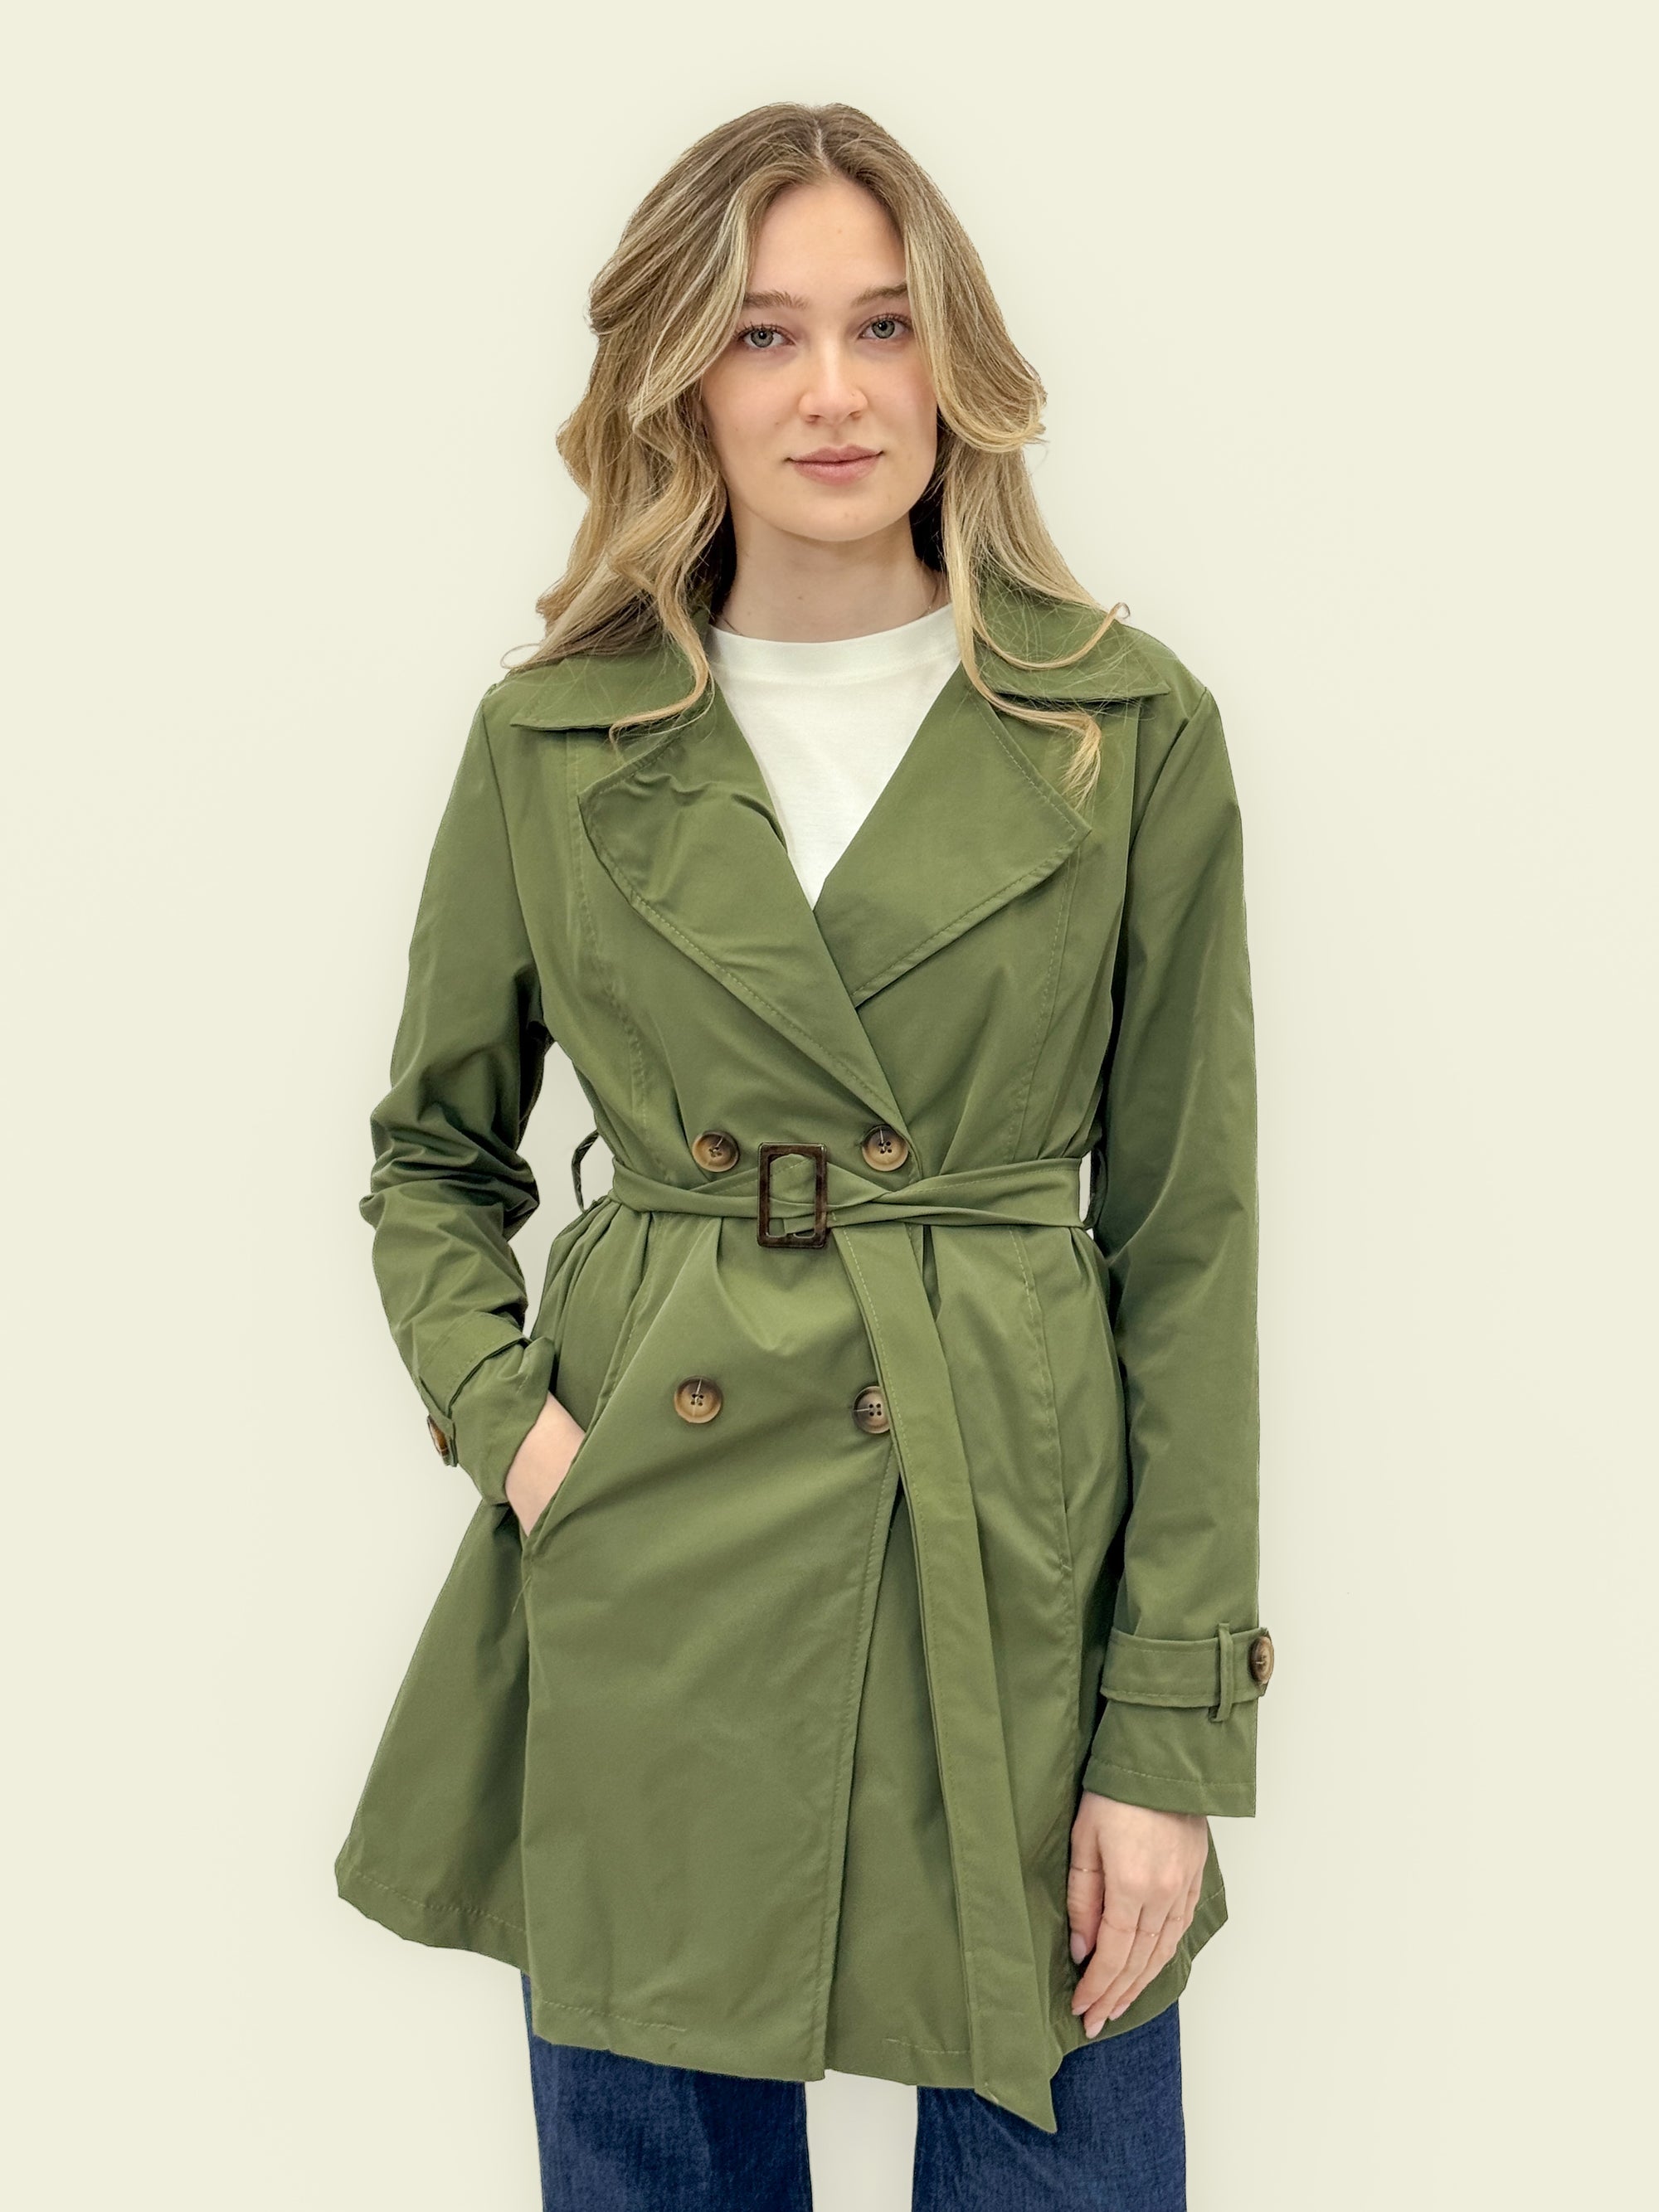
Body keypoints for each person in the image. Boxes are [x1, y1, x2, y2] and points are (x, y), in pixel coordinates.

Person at [335, 100, 1272, 2212]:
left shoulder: (1124, 730)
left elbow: (1188, 1245)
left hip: (1011, 1548)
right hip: (654, 1558)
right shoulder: (555, 736)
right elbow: (431, 1156)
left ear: (958, 362)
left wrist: (1164, 1731)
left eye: (882, 324)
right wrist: (525, 1437)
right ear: (678, 377)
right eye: (763, 334)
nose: (832, 390)